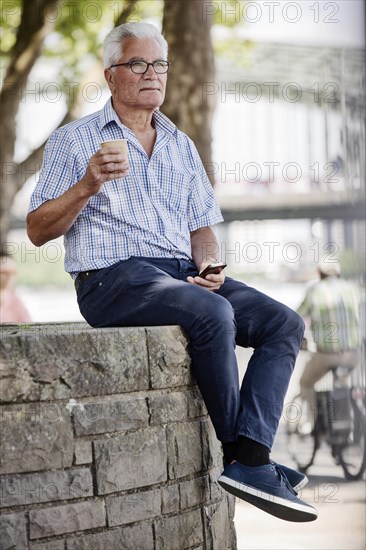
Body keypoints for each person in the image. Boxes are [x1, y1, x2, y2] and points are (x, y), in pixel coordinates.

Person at [26, 22, 317, 522]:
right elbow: (35, 229)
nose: (151, 74)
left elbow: (201, 229)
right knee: (212, 312)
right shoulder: (74, 142)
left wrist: (208, 265)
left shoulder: (180, 145)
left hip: (178, 274)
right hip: (110, 279)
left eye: (159, 64)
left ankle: (251, 456)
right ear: (110, 75)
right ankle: (244, 459)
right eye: (137, 63)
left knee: (284, 323)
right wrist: (87, 185)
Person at [298, 258, 361, 408]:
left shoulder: (315, 290)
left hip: (327, 354)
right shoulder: (351, 288)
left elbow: (297, 318)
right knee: (342, 382)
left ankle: (316, 423)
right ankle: (349, 413)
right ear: (338, 272)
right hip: (353, 354)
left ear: (320, 273)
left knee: (305, 383)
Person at [0, 250, 31, 323]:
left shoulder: (15, 300)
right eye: (4, 272)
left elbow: (28, 325)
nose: (9, 276)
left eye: (13, 272)